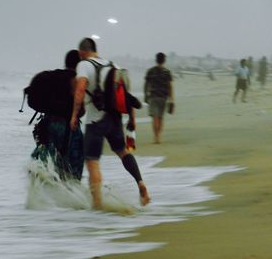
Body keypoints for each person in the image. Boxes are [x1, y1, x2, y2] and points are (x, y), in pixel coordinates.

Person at [70, 38, 150, 209]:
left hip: (95, 120)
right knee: (123, 152)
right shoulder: (114, 66)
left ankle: (97, 204)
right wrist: (132, 120)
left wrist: (74, 115)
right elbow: (125, 95)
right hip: (115, 119)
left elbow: (80, 89)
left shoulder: (84, 65)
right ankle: (141, 183)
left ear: (81, 52)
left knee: (92, 161)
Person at [31, 50, 84, 181]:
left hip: (48, 125)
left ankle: (45, 192)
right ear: (80, 64)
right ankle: (71, 196)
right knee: (73, 173)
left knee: (48, 163)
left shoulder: (54, 78)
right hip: (70, 128)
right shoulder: (77, 80)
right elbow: (81, 110)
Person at [144, 52, 174, 144]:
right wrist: (172, 99)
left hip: (153, 97)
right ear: (164, 60)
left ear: (156, 60)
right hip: (163, 97)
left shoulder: (150, 71)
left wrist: (146, 95)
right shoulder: (167, 72)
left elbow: (146, 84)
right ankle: (159, 136)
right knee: (160, 117)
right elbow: (169, 86)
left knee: (155, 118)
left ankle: (156, 136)